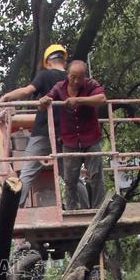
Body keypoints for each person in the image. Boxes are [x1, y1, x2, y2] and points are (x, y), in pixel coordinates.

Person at [1, 44, 69, 207]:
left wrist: (6, 97)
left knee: (28, 173)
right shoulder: (71, 79)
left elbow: (26, 91)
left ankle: (13, 210)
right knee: (70, 176)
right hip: (65, 134)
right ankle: (88, 207)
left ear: (48, 62)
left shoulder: (45, 76)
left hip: (43, 132)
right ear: (64, 62)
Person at [39, 59, 107, 210]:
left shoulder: (91, 85)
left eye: (80, 77)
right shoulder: (59, 87)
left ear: (85, 77)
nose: (76, 81)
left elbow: (101, 99)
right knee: (70, 178)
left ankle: (99, 208)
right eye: (73, 77)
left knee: (96, 175)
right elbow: (46, 103)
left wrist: (79, 100)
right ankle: (72, 209)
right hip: (70, 140)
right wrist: (44, 101)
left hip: (91, 138)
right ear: (67, 74)